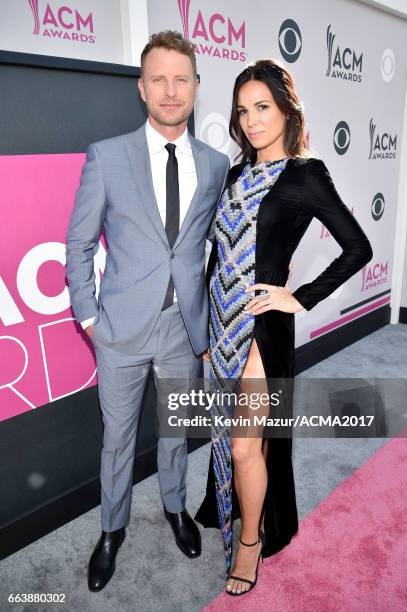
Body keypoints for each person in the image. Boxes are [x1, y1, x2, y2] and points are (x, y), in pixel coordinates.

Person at [195, 58, 373, 596]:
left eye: (262, 108)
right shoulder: (233, 174)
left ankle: (250, 541)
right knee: (229, 439)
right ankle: (243, 514)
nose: (251, 121)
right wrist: (205, 330)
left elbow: (357, 248)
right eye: (243, 111)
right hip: (220, 324)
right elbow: (220, 253)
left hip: (260, 330)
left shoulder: (305, 174)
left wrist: (298, 297)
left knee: (248, 445)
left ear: (286, 109)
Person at [65, 30, 230, 592]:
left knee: (175, 432)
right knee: (116, 439)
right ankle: (111, 530)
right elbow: (79, 245)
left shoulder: (214, 165)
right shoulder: (107, 157)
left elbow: (209, 247)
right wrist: (89, 320)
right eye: (158, 78)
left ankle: (175, 508)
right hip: (120, 331)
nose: (170, 90)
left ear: (196, 87)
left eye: (180, 79)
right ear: (141, 87)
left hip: (184, 330)